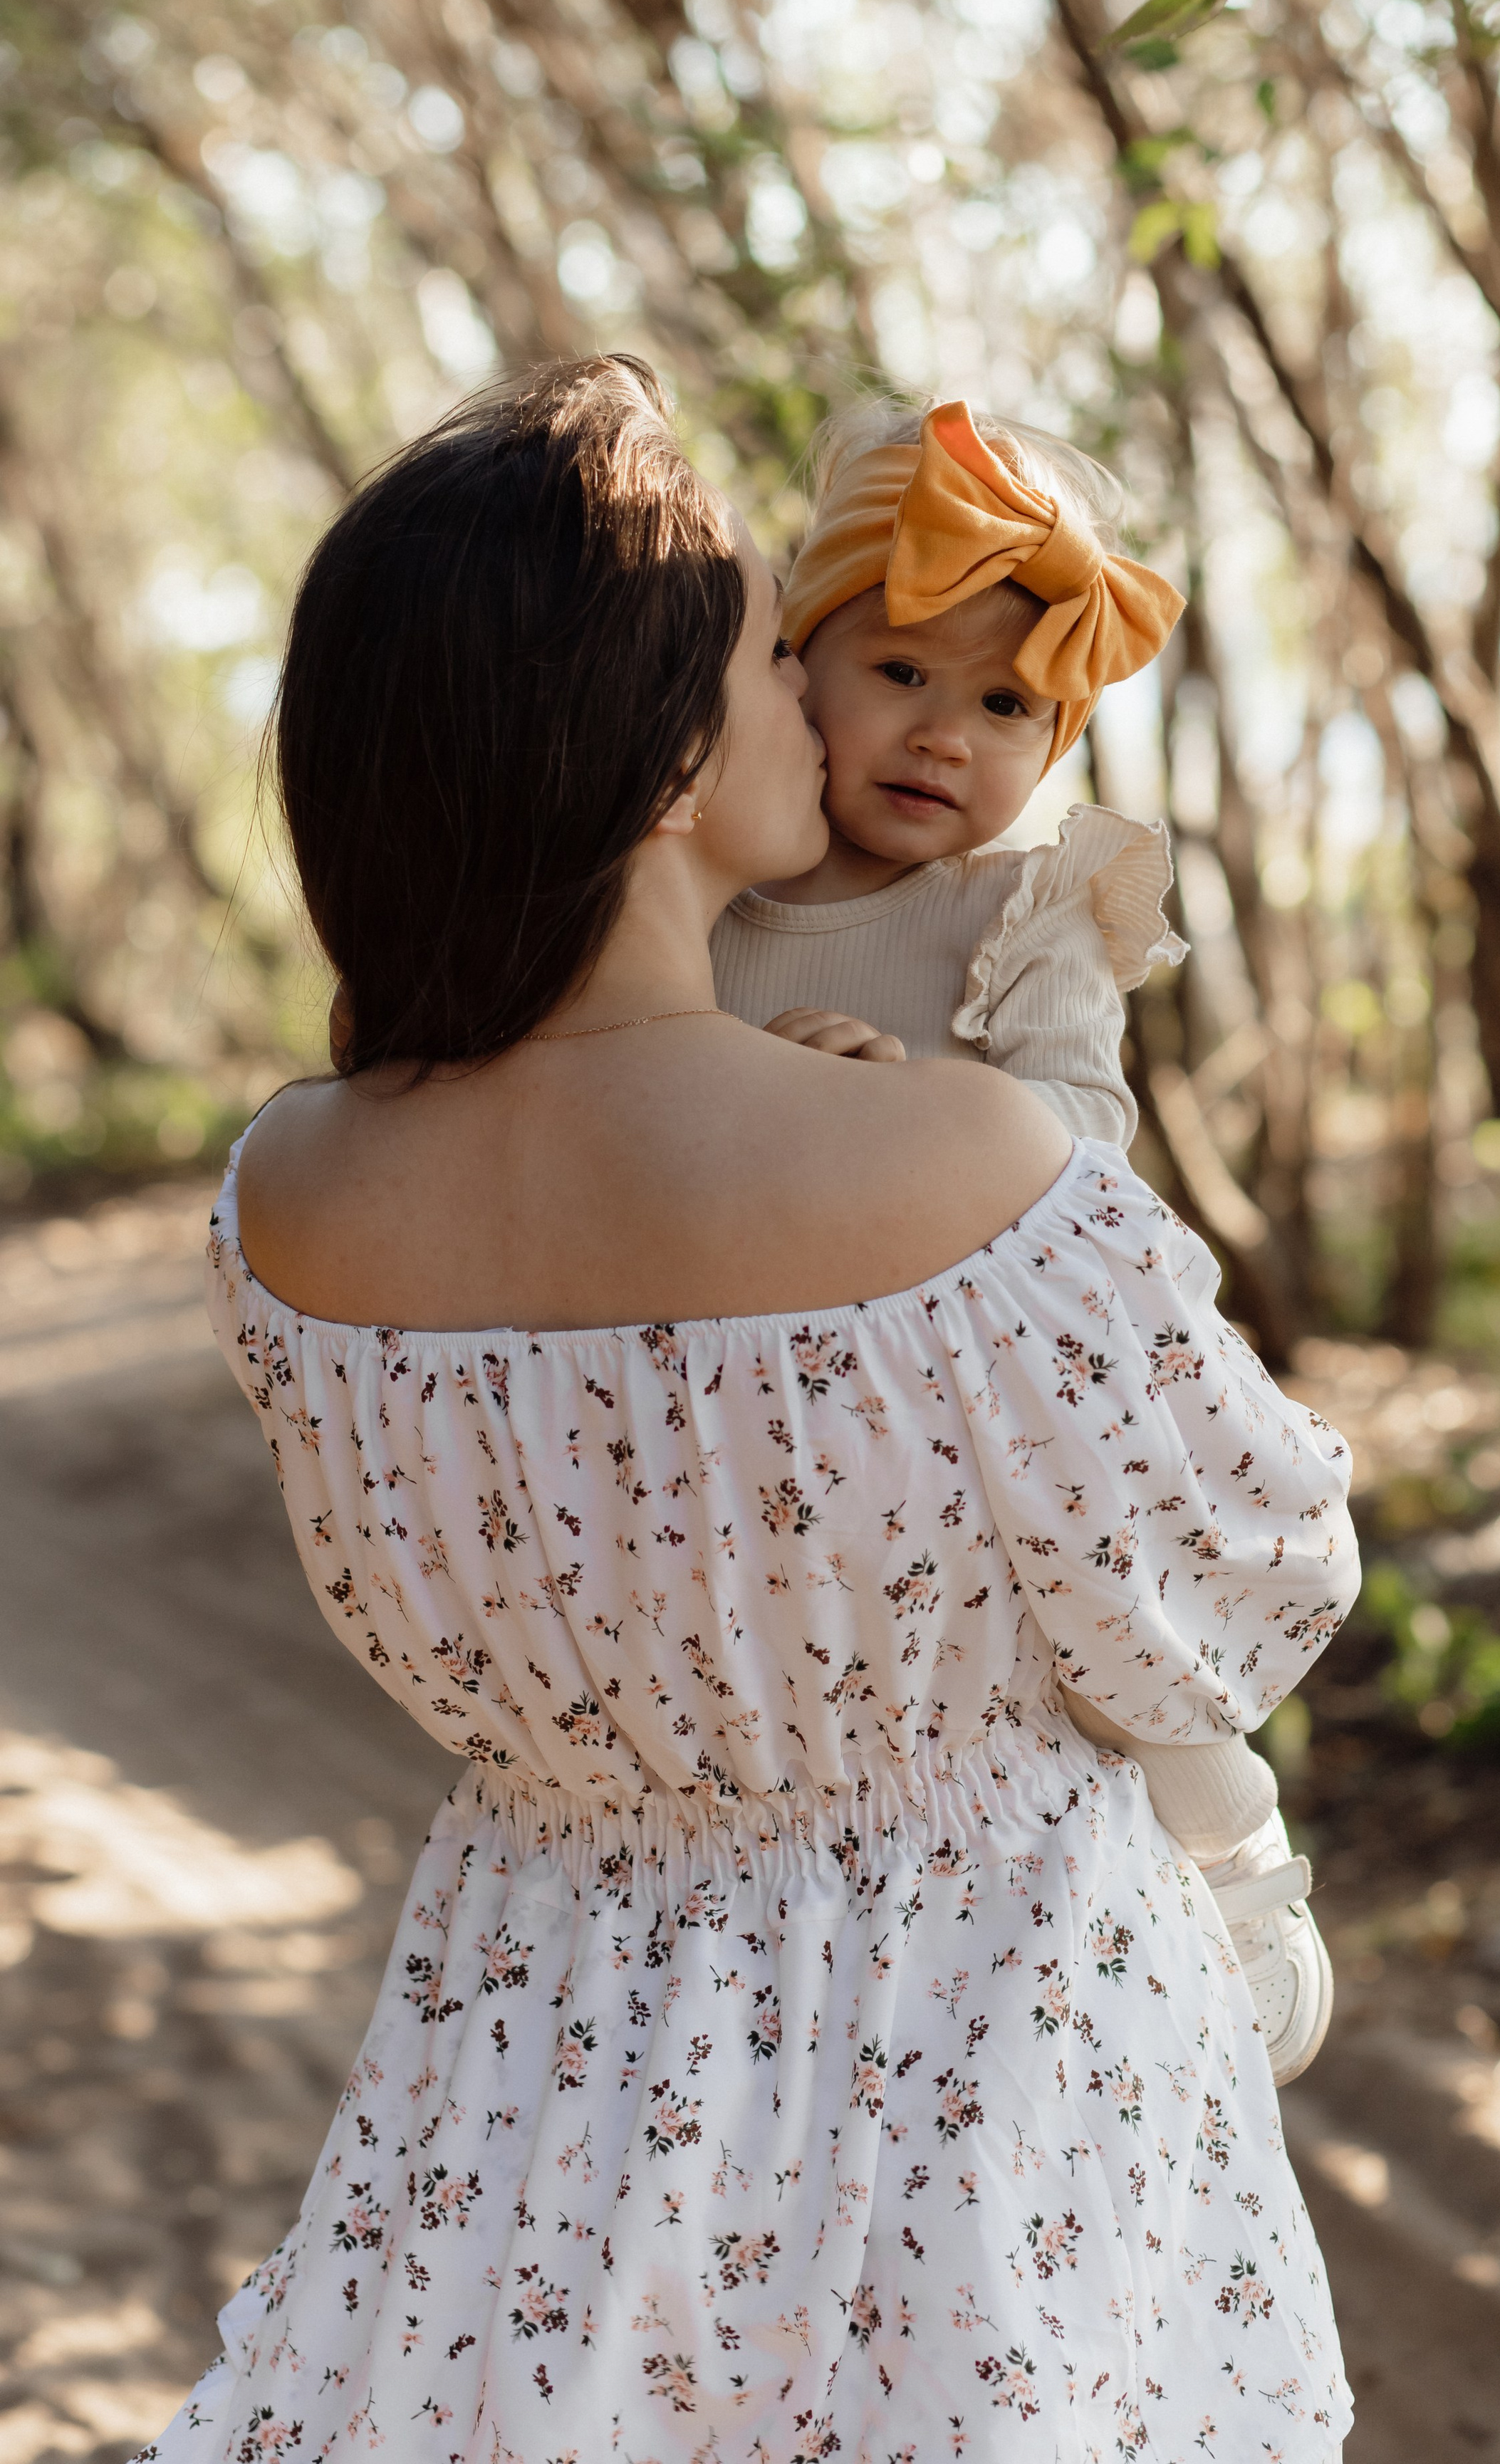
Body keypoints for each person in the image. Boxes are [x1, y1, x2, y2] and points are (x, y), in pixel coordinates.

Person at [144, 356, 1359, 2464]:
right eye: (771, 661)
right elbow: (1247, 1569)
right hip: (984, 2055)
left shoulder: (289, 1203)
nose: (820, 701)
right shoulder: (956, 1159)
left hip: (535, 2072)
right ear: (659, 752)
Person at [712, 396, 1330, 2079]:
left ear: (1056, 743)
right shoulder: (700, 901)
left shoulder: (1021, 907)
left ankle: (1225, 1842)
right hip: (773, 1379)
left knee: (1079, 1586)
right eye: (901, 671)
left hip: (980, 1359)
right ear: (795, 664)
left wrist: (912, 1104)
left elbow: (1081, 1145)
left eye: (1004, 706)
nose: (944, 735)